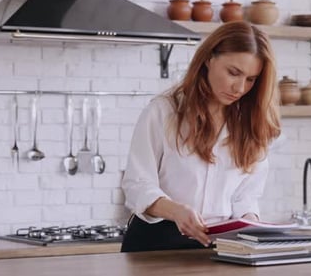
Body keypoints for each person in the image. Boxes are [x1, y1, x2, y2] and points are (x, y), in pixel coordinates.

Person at [120, 21, 281, 252]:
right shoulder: (163, 112)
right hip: (156, 245)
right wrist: (176, 211)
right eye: (233, 72)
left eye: (251, 79)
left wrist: (250, 219)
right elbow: (137, 185)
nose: (239, 88)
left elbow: (246, 195)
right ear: (209, 59)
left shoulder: (250, 125)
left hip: (218, 247)